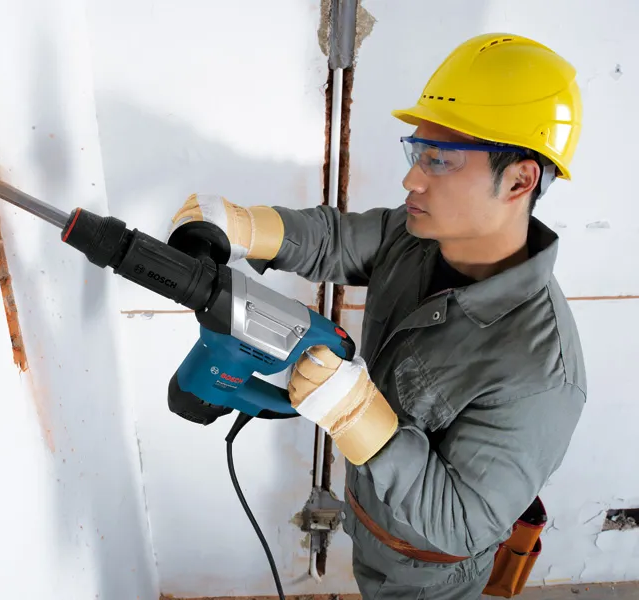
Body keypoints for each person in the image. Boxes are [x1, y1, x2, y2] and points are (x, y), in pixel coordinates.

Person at [168, 33, 586, 599]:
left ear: (519, 179)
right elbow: (335, 239)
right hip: (369, 525)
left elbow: (464, 522)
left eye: (440, 160)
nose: (412, 180)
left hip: (429, 574)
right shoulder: (422, 236)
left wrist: (356, 414)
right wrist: (239, 224)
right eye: (418, 153)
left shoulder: (541, 370)